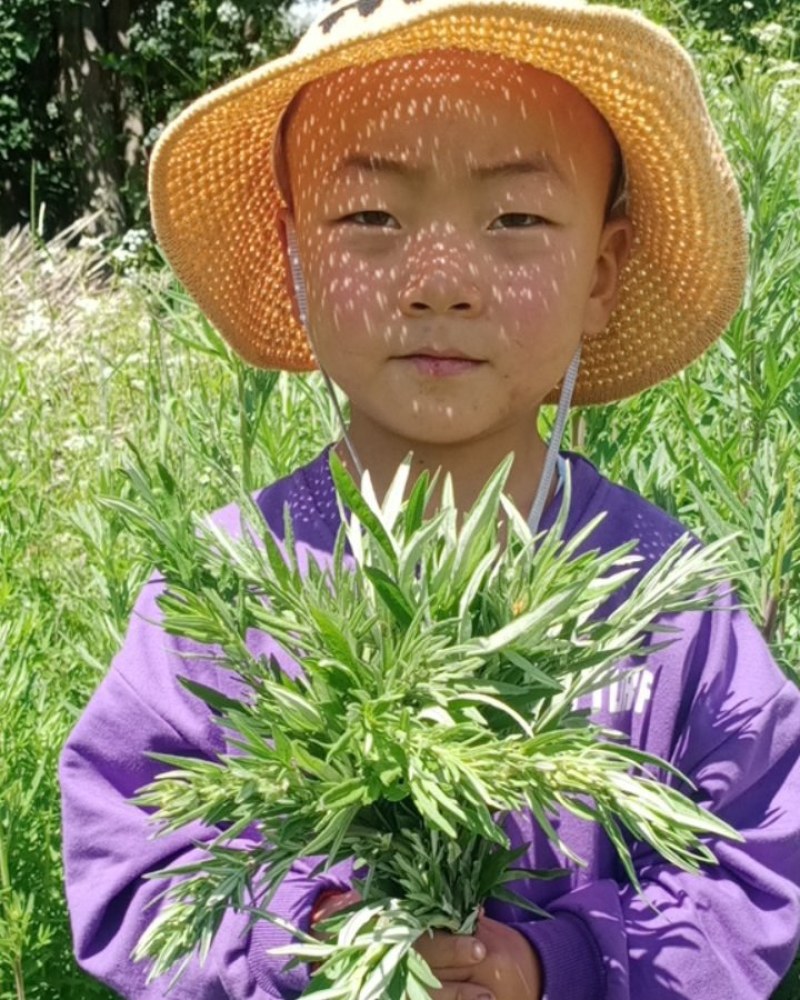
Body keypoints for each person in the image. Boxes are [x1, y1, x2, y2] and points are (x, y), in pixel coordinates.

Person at [59, 0, 800, 997]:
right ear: (293, 254)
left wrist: (558, 962)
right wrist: (310, 935)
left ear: (602, 268)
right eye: (370, 216)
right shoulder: (224, 589)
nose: (438, 282)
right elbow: (130, 856)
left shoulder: (661, 602)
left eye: (516, 218)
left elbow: (756, 859)